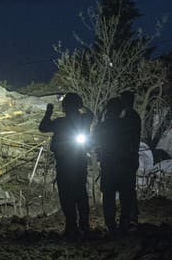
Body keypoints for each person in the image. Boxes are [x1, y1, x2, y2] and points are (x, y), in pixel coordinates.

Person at [39, 92, 94, 238]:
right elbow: (91, 114)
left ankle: (74, 225)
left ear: (65, 107)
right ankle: (80, 225)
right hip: (76, 163)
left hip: (66, 164)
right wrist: (82, 106)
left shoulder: (60, 122)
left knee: (68, 195)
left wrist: (48, 112)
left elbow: (44, 126)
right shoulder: (83, 119)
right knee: (79, 194)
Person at [94, 92, 141, 236]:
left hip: (109, 165)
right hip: (126, 165)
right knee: (126, 196)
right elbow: (134, 143)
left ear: (108, 110)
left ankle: (111, 226)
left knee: (108, 197)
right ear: (121, 110)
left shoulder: (102, 127)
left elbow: (95, 143)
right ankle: (124, 224)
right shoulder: (128, 124)